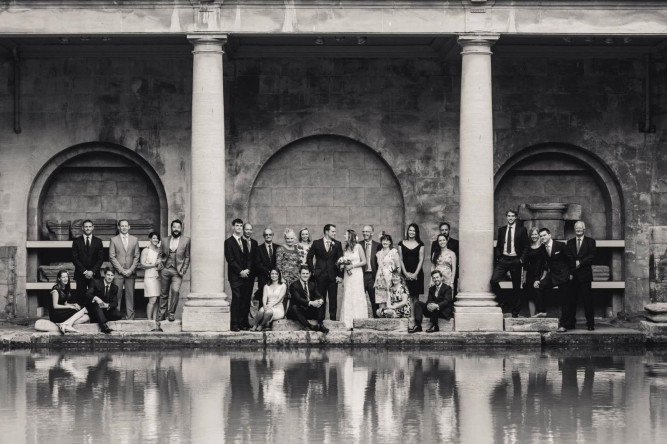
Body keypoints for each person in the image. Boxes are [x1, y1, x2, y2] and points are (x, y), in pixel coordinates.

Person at [490, 209, 530, 318]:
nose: (510, 218)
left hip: (515, 260)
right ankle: (503, 299)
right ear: (506, 217)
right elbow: (499, 245)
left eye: (512, 216)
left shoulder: (522, 230)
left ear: (516, 217)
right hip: (503, 260)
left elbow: (526, 246)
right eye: (509, 216)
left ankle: (515, 312)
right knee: (493, 281)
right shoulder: (502, 230)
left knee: (516, 287)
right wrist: (499, 257)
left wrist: (521, 260)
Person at [537, 228, 575, 332]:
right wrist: (537, 279)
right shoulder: (542, 248)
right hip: (552, 275)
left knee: (565, 301)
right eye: (541, 236)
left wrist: (571, 273)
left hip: (564, 275)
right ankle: (542, 311)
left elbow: (571, 259)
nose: (542, 237)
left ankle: (563, 325)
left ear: (549, 235)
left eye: (544, 235)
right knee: (540, 286)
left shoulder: (560, 245)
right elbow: (540, 265)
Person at [306, 224, 344, 321]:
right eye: (333, 231)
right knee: (320, 298)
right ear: (327, 232)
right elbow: (309, 257)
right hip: (320, 276)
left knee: (333, 299)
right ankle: (320, 319)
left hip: (333, 276)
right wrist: (313, 271)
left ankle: (333, 320)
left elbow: (341, 260)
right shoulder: (317, 243)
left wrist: (340, 275)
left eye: (335, 231)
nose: (335, 233)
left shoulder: (338, 244)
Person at [158, 219, 191, 324]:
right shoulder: (164, 240)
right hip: (165, 269)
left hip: (178, 271)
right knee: (163, 293)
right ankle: (162, 314)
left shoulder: (186, 240)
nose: (176, 229)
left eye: (178, 227)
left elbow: (187, 257)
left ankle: (171, 313)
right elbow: (160, 254)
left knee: (175, 291)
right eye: (174, 227)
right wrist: (161, 264)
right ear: (171, 228)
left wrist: (184, 269)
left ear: (181, 228)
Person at [567, 221, 597, 331]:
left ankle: (590, 323)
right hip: (573, 276)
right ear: (574, 229)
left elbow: (592, 256)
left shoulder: (591, 242)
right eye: (576, 228)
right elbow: (568, 256)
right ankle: (571, 323)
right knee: (571, 300)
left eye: (580, 228)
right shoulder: (569, 243)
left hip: (585, 276)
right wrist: (572, 266)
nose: (578, 229)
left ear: (584, 229)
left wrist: (580, 262)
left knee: (587, 301)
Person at [109, 219, 140, 320]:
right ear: (118, 227)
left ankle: (130, 318)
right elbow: (112, 256)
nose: (124, 227)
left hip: (131, 272)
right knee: (117, 296)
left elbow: (137, 256)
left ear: (129, 227)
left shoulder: (134, 239)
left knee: (130, 296)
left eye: (126, 226)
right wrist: (122, 270)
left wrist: (130, 270)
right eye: (122, 226)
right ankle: (116, 317)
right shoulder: (114, 239)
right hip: (118, 273)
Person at [224, 218, 252, 331]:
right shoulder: (228, 242)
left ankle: (241, 323)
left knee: (244, 299)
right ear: (233, 227)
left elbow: (248, 258)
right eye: (237, 226)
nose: (239, 228)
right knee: (236, 298)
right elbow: (230, 259)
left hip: (245, 275)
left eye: (241, 226)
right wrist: (240, 271)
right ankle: (234, 324)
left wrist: (247, 270)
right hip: (235, 276)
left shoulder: (244, 241)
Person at [339, 229, 368, 329]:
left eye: (345, 235)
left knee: (357, 295)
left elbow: (364, 261)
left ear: (350, 236)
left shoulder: (358, 246)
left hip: (356, 274)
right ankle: (347, 322)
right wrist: (342, 266)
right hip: (347, 275)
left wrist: (353, 266)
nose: (344, 236)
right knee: (348, 295)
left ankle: (359, 321)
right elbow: (344, 261)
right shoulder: (345, 248)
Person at [287, 265, 329, 333]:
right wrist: (311, 303)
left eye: (307, 273)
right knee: (294, 307)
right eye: (303, 273)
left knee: (320, 302)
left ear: (309, 274)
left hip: (308, 311)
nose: (305, 275)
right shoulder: (293, 285)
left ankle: (320, 325)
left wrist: (320, 300)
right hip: (297, 312)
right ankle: (309, 326)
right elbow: (298, 299)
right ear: (299, 274)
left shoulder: (312, 284)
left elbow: (319, 295)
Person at [71, 219, 104, 302]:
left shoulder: (98, 241)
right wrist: (85, 272)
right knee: (81, 296)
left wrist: (92, 272)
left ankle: (93, 315)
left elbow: (100, 259)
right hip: (80, 274)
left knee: (94, 297)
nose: (88, 228)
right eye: (86, 227)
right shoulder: (76, 241)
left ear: (93, 228)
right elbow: (74, 258)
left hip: (95, 274)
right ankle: (82, 314)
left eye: (89, 226)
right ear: (82, 228)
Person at [49, 270, 90, 334]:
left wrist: (73, 304)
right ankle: (69, 325)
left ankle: (64, 324)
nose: (66, 279)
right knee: (83, 309)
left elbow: (65, 303)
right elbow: (55, 306)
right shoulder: (55, 289)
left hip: (63, 311)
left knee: (86, 316)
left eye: (66, 277)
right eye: (63, 277)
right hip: (56, 313)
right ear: (59, 278)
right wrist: (70, 307)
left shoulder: (65, 288)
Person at [86, 268, 123, 334]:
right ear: (105, 275)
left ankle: (99, 318)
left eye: (112, 275)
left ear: (114, 277)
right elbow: (88, 294)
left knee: (118, 315)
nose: (110, 277)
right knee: (96, 304)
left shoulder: (115, 287)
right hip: (95, 308)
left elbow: (115, 302)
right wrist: (96, 298)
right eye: (108, 275)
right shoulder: (95, 282)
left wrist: (107, 305)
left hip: (105, 309)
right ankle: (103, 326)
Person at [522, 227, 547, 318]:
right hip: (529, 274)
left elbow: (545, 263)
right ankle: (532, 317)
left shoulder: (543, 247)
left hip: (539, 273)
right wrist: (524, 277)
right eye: (532, 234)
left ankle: (541, 312)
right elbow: (525, 264)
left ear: (538, 235)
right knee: (530, 296)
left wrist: (543, 276)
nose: (534, 236)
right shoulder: (528, 247)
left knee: (538, 293)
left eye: (536, 234)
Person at [254, 227, 280, 309]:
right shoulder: (258, 249)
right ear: (263, 236)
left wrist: (274, 274)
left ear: (272, 235)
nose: (268, 236)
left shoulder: (278, 248)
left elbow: (279, 262)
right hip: (263, 278)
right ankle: (262, 320)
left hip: (276, 278)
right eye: (266, 234)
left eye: (270, 234)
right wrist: (269, 273)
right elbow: (258, 264)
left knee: (275, 299)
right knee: (263, 300)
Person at [398, 223, 425, 302]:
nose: (411, 232)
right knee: (405, 296)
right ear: (407, 231)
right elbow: (400, 259)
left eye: (414, 230)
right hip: (404, 272)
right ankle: (407, 314)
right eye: (410, 230)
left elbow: (421, 260)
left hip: (417, 273)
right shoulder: (401, 243)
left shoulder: (420, 244)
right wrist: (405, 273)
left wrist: (415, 274)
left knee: (415, 298)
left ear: (416, 232)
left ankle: (415, 314)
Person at [276, 228, 302, 305]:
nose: (290, 240)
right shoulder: (280, 249)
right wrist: (281, 277)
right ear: (285, 238)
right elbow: (278, 265)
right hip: (285, 278)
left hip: (295, 277)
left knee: (295, 298)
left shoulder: (297, 249)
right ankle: (282, 315)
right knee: (284, 297)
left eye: (291, 238)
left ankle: (291, 315)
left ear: (294, 238)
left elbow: (298, 263)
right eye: (287, 238)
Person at [374, 234, 402, 307]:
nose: (385, 242)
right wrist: (376, 280)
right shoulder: (379, 253)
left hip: (391, 280)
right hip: (381, 280)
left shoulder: (394, 252)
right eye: (383, 240)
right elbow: (379, 268)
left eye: (387, 240)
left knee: (391, 300)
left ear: (390, 242)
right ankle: (382, 317)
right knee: (381, 301)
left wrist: (397, 280)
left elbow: (398, 267)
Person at [430, 222, 459, 293]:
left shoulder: (455, 243)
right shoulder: (435, 245)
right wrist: (431, 279)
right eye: (442, 230)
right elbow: (433, 264)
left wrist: (452, 281)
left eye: (446, 230)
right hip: (437, 276)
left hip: (449, 276)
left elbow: (455, 264)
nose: (444, 231)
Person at [140, 231, 162, 321]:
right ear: (150, 239)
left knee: (157, 299)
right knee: (152, 299)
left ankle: (155, 320)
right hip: (149, 277)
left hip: (159, 277)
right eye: (153, 238)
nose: (155, 240)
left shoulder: (160, 250)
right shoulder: (146, 250)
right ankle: (149, 321)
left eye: (157, 238)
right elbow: (142, 264)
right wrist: (154, 264)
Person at [360, 225, 381, 318]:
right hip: (361, 276)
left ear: (372, 233)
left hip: (373, 276)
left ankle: (376, 321)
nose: (365, 233)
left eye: (367, 231)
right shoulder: (358, 244)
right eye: (363, 231)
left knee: (374, 300)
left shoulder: (378, 245)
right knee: (360, 299)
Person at [242, 222, 258, 314]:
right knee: (241, 298)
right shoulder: (240, 241)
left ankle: (245, 321)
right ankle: (239, 321)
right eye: (246, 229)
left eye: (250, 229)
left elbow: (254, 259)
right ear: (243, 230)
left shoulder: (255, 243)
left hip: (251, 275)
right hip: (242, 273)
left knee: (248, 297)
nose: (248, 231)